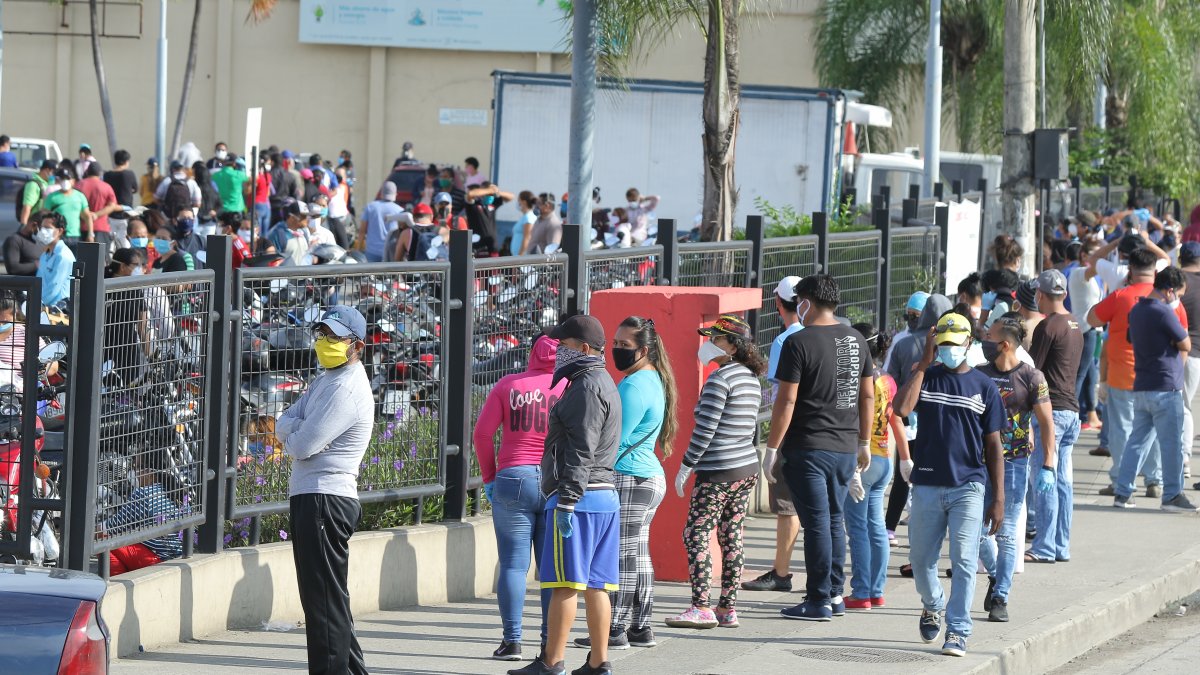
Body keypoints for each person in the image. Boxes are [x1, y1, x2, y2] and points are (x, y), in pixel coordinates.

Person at [510, 315, 620, 675]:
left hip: (580, 500)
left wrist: (568, 499)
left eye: (565, 345)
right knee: (596, 585)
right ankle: (598, 661)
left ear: (584, 349)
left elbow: (581, 449)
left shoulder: (585, 386)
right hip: (604, 498)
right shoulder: (604, 382)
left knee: (563, 584)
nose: (558, 351)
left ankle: (551, 661)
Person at [892, 312, 1005, 658]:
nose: (950, 350)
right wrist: (924, 364)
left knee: (964, 559)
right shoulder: (926, 377)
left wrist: (998, 497)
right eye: (943, 345)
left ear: (969, 343)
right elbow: (900, 409)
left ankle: (957, 631)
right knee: (921, 559)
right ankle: (933, 603)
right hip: (927, 484)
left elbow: (994, 446)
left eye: (955, 345)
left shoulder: (984, 386)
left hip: (968, 486)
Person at [766, 275, 872, 621]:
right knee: (833, 520)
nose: (797, 307)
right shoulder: (857, 339)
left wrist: (771, 448)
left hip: (809, 447)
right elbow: (867, 394)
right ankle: (835, 595)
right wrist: (864, 441)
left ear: (807, 302)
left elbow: (787, 400)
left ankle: (817, 600)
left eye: (799, 301)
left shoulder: (799, 342)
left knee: (816, 523)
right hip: (844, 446)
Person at [274, 305, 373, 675]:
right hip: (314, 497)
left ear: (356, 345)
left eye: (334, 336)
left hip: (325, 499)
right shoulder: (326, 380)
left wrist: (295, 431)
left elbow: (301, 445)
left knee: (323, 605)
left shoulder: (346, 388)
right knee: (329, 601)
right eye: (322, 334)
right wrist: (295, 429)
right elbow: (287, 421)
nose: (324, 342)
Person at [574, 317, 676, 650]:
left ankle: (613, 628)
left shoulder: (632, 386)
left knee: (620, 554)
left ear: (644, 350)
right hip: (647, 475)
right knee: (637, 553)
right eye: (614, 343)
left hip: (630, 476)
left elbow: (613, 438)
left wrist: (589, 472)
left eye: (624, 345)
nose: (616, 350)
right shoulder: (653, 379)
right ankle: (639, 626)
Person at [665, 315, 763, 631]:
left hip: (718, 470)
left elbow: (705, 430)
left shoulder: (720, 380)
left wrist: (685, 465)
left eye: (716, 339)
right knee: (731, 534)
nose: (709, 345)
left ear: (732, 345)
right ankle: (727, 608)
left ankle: (701, 606)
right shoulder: (750, 377)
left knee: (696, 532)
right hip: (746, 467)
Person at [474, 334, 566, 661]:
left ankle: (511, 641)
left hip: (513, 477)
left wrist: (489, 477)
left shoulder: (508, 384)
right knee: (550, 569)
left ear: (530, 356)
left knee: (513, 564)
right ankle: (548, 643)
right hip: (555, 480)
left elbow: (483, 434)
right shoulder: (568, 386)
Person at [973, 314, 1054, 623]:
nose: (984, 340)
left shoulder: (1032, 377)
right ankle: (995, 575)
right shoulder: (979, 374)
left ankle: (1000, 595)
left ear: (1004, 344)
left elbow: (1046, 423)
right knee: (977, 533)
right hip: (977, 465)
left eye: (989, 336)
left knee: (1006, 534)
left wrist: (1048, 464)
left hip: (1014, 465)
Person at [1089, 247, 1182, 496]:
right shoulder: (1169, 302)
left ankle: (1121, 478)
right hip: (1158, 377)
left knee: (1123, 431)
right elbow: (1183, 340)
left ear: (1130, 271)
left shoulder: (1121, 296)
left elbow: (1091, 319)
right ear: (1155, 271)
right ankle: (1154, 481)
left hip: (1122, 373)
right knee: (1155, 431)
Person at [1112, 268, 1199, 512]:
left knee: (1137, 441)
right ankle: (1172, 495)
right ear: (1170, 291)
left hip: (1142, 384)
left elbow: (1131, 338)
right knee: (1171, 444)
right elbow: (1185, 342)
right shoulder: (1164, 312)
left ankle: (1123, 491)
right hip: (1165, 385)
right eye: (1178, 294)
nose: (1178, 299)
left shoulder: (1137, 310)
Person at [743, 277, 805, 593]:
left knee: (786, 506)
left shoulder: (785, 341)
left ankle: (781, 572)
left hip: (790, 432)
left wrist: (771, 445)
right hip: (820, 431)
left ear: (778, 304)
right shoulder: (819, 333)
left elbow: (779, 395)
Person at [842, 323, 907, 611]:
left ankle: (861, 592)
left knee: (857, 529)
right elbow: (896, 420)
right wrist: (905, 458)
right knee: (877, 527)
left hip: (861, 460)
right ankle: (876, 590)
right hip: (884, 460)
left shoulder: (858, 379)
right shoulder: (889, 381)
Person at [885, 293, 953, 543]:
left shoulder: (904, 344)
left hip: (906, 423)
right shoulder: (955, 347)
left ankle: (889, 527)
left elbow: (889, 379)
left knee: (903, 478)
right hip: (942, 426)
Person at [1027, 270, 1082, 564]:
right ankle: (1060, 545)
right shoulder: (1074, 324)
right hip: (1071, 411)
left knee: (1044, 478)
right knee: (1062, 481)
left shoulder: (1048, 327)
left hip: (1052, 412)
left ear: (1041, 295)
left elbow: (1033, 371)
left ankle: (1045, 546)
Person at [98, 450, 184, 575]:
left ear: (150, 471)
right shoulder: (173, 488)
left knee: (101, 541)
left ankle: (115, 582)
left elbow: (110, 528)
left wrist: (89, 534)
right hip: (177, 555)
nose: (134, 472)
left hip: (158, 559)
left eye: (138, 467)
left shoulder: (143, 494)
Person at [1068, 238, 1104, 431]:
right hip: (1086, 329)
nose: (1100, 260)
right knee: (1081, 374)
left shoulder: (1087, 275)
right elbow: (1097, 268)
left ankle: (1090, 414)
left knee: (1090, 375)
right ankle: (1071, 415)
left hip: (1092, 329)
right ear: (1084, 255)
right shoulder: (1080, 273)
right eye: (1096, 255)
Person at [1179, 243, 1200, 479]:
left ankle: (1183, 458)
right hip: (1194, 355)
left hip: (1186, 353)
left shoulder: (1178, 282)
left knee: (1182, 407)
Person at [34, 212, 76, 307]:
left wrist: (35, 305)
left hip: (59, 311)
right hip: (43, 308)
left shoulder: (63, 256)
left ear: (60, 231)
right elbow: (38, 282)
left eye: (48, 228)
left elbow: (54, 288)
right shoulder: (44, 255)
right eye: (42, 228)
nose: (43, 231)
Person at [42, 168, 93, 248]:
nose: (65, 181)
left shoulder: (80, 196)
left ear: (73, 181)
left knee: (74, 260)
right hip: (57, 236)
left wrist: (90, 234)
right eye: (63, 179)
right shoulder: (52, 197)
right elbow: (44, 215)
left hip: (75, 237)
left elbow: (87, 216)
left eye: (68, 179)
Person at [78, 163, 120, 252]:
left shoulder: (79, 185)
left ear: (87, 172)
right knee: (101, 261)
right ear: (100, 173)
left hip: (81, 227)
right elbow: (112, 205)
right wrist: (96, 215)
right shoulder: (106, 186)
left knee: (80, 261)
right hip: (101, 228)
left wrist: (87, 216)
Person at [359, 181, 404, 263]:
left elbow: (362, 231)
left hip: (371, 252)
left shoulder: (370, 207)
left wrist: (358, 249)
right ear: (395, 194)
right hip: (390, 252)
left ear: (381, 193)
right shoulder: (400, 210)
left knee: (370, 275)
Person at [465, 182, 513, 256]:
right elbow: (470, 194)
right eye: (488, 194)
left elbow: (511, 197)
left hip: (493, 248)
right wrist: (489, 190)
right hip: (478, 249)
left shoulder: (492, 205)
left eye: (492, 195)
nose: (490, 196)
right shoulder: (474, 205)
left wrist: (496, 191)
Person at [269, 200, 313, 266]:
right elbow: (273, 261)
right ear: (291, 217)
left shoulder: (304, 232)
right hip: (287, 275)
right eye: (303, 216)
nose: (307, 219)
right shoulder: (278, 234)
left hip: (304, 275)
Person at [19, 160, 56, 227]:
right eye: (53, 173)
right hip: (35, 223)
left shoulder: (47, 183)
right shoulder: (33, 185)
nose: (54, 176)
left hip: (43, 223)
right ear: (47, 170)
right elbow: (27, 207)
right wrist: (23, 226)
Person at [513, 191, 539, 256]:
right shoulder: (526, 217)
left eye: (519, 200)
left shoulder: (529, 217)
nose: (518, 203)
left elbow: (527, 238)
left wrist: (519, 257)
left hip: (523, 259)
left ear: (524, 202)